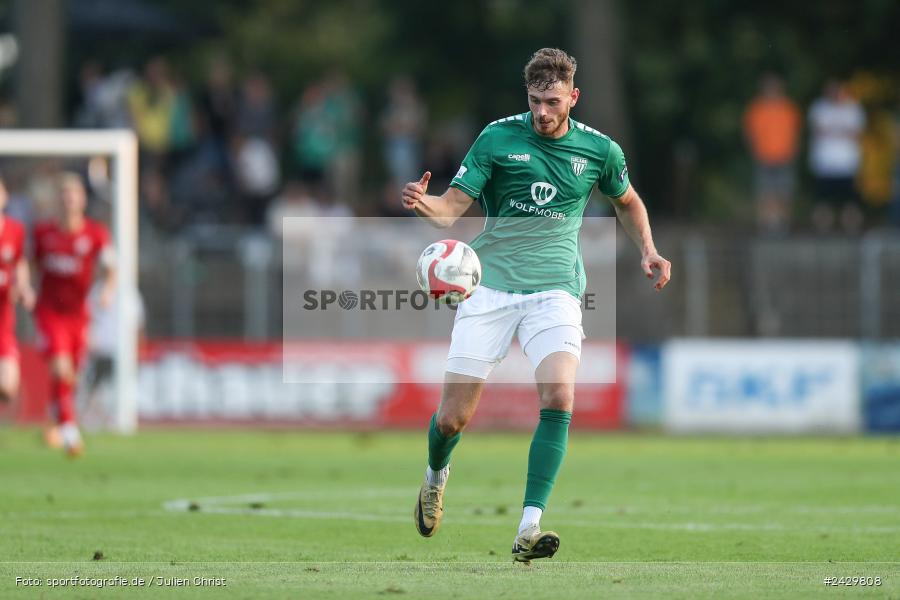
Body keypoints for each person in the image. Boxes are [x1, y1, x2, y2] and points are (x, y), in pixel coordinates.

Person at [401, 48, 671, 562]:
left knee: (559, 397)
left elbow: (627, 200)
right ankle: (436, 475)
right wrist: (424, 204)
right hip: (489, 288)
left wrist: (650, 250)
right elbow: (449, 211)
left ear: (573, 96)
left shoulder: (600, 150)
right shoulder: (498, 137)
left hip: (556, 291)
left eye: (552, 101)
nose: (542, 112)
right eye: (534, 101)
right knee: (453, 420)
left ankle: (529, 528)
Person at [35, 173, 115, 456]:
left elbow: (110, 269)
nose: (69, 198)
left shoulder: (96, 234)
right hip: (49, 312)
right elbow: (29, 264)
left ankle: (57, 420)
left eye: (73, 193)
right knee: (61, 367)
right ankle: (71, 433)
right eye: (64, 193)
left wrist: (107, 290)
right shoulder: (43, 234)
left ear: (82, 199)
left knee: (70, 377)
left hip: (79, 315)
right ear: (57, 199)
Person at [743, 74, 801, 234]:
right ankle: (766, 225)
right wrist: (756, 151)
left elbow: (795, 132)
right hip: (763, 157)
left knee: (784, 191)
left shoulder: (788, 108)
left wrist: (791, 151)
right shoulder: (757, 109)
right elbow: (749, 133)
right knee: (764, 192)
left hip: (784, 157)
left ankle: (783, 225)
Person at [808, 80, 866, 232]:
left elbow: (856, 134)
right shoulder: (818, 108)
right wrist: (842, 131)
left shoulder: (853, 108)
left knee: (851, 200)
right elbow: (818, 130)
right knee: (823, 200)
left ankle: (851, 228)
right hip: (825, 162)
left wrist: (833, 131)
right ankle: (822, 229)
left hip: (848, 162)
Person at [0, 177, 35, 405]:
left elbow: (20, 263)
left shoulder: (15, 230)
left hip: (3, 323)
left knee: (8, 387)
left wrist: (24, 288)